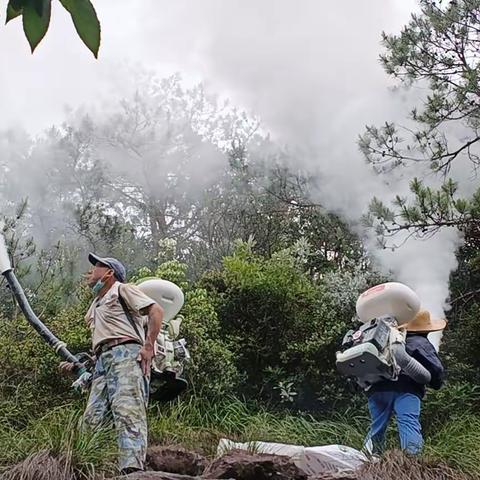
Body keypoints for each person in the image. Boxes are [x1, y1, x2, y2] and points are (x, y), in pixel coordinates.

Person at [60, 253, 164, 474]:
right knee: (92, 418)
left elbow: (156, 310)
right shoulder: (95, 306)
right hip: (103, 361)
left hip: (126, 354)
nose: (90, 271)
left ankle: (132, 471)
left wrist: (148, 347)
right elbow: (101, 342)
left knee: (128, 411)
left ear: (109, 273)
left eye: (96, 266)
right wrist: (81, 367)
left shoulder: (122, 289)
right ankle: (88, 468)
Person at [364, 310, 445, 455]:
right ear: (426, 329)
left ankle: (366, 460)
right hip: (407, 390)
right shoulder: (421, 342)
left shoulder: (388, 338)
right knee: (408, 423)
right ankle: (412, 464)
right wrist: (436, 382)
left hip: (377, 388)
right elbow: (436, 372)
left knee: (376, 426)